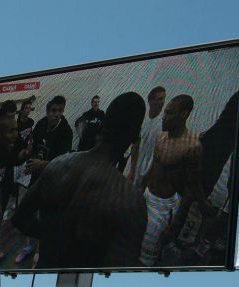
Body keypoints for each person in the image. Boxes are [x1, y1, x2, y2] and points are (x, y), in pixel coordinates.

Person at [12, 92, 147, 269]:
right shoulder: (129, 200)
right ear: (135, 136)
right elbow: (119, 271)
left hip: (44, 273)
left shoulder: (58, 165)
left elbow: (20, 218)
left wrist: (52, 236)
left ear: (103, 124)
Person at [139, 95, 215, 267]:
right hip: (146, 196)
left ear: (184, 114)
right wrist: (139, 191)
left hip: (163, 207)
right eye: (165, 112)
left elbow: (191, 188)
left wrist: (175, 225)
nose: (164, 117)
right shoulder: (161, 137)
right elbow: (152, 169)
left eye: (169, 113)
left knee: (146, 259)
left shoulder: (192, 147)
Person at [27, 95, 73, 178]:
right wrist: (30, 159)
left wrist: (41, 164)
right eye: (54, 110)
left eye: (60, 111)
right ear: (47, 112)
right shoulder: (42, 123)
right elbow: (33, 142)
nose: (57, 114)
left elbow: (63, 161)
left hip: (53, 175)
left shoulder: (66, 132)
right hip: (37, 172)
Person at [128, 86, 166, 185]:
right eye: (159, 99)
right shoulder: (142, 118)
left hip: (151, 170)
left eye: (164, 99)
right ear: (150, 101)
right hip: (136, 166)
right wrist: (132, 170)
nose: (162, 102)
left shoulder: (164, 122)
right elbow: (135, 145)